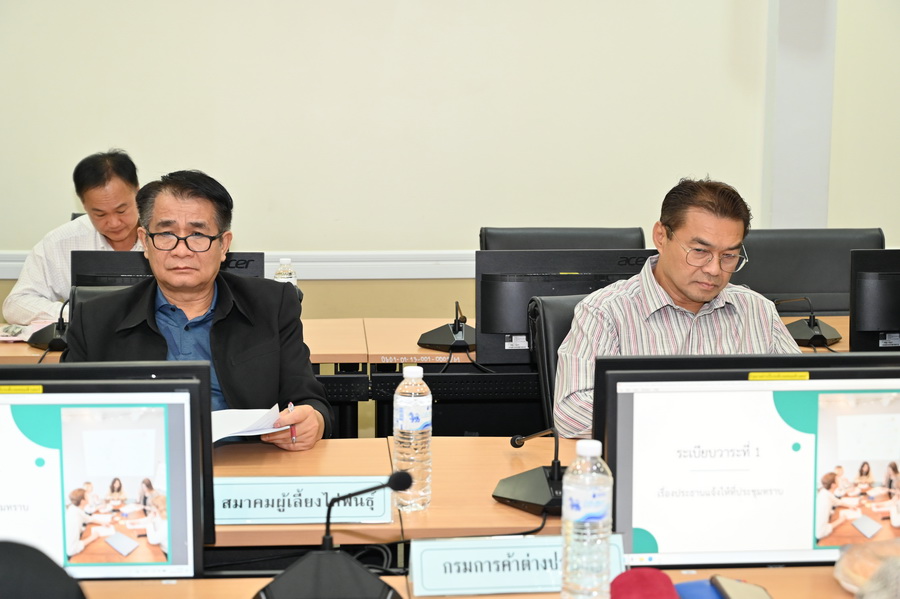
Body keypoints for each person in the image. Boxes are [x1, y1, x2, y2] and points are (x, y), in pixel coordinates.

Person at [62, 170, 332, 450]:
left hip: (249, 461)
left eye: (198, 235)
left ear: (224, 245)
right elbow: (65, 413)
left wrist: (314, 420)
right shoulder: (95, 319)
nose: (181, 250)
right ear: (145, 241)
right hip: (141, 463)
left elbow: (308, 400)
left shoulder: (272, 305)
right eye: (166, 234)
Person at [553, 178, 801, 438]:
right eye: (700, 251)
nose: (714, 269)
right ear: (661, 237)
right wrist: (696, 416)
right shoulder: (606, 312)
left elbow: (803, 394)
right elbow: (571, 413)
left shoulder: (757, 311)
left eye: (728, 256)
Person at [2, 149, 142, 325]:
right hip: (88, 339)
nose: (114, 223)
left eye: (121, 210)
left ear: (138, 193)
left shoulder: (166, 234)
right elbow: (16, 305)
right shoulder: (61, 242)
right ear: (83, 204)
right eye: (100, 214)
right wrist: (79, 313)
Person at [65, 488, 104, 557]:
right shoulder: (75, 518)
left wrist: (102, 523)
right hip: (71, 554)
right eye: (87, 496)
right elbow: (71, 550)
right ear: (83, 501)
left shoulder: (74, 508)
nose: (89, 496)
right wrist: (92, 537)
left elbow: (87, 518)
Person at [816, 472, 854, 541]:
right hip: (819, 537)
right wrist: (840, 520)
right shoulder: (825, 502)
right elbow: (820, 533)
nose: (840, 481)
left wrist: (849, 505)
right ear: (833, 485)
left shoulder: (825, 492)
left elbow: (836, 501)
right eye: (837, 480)